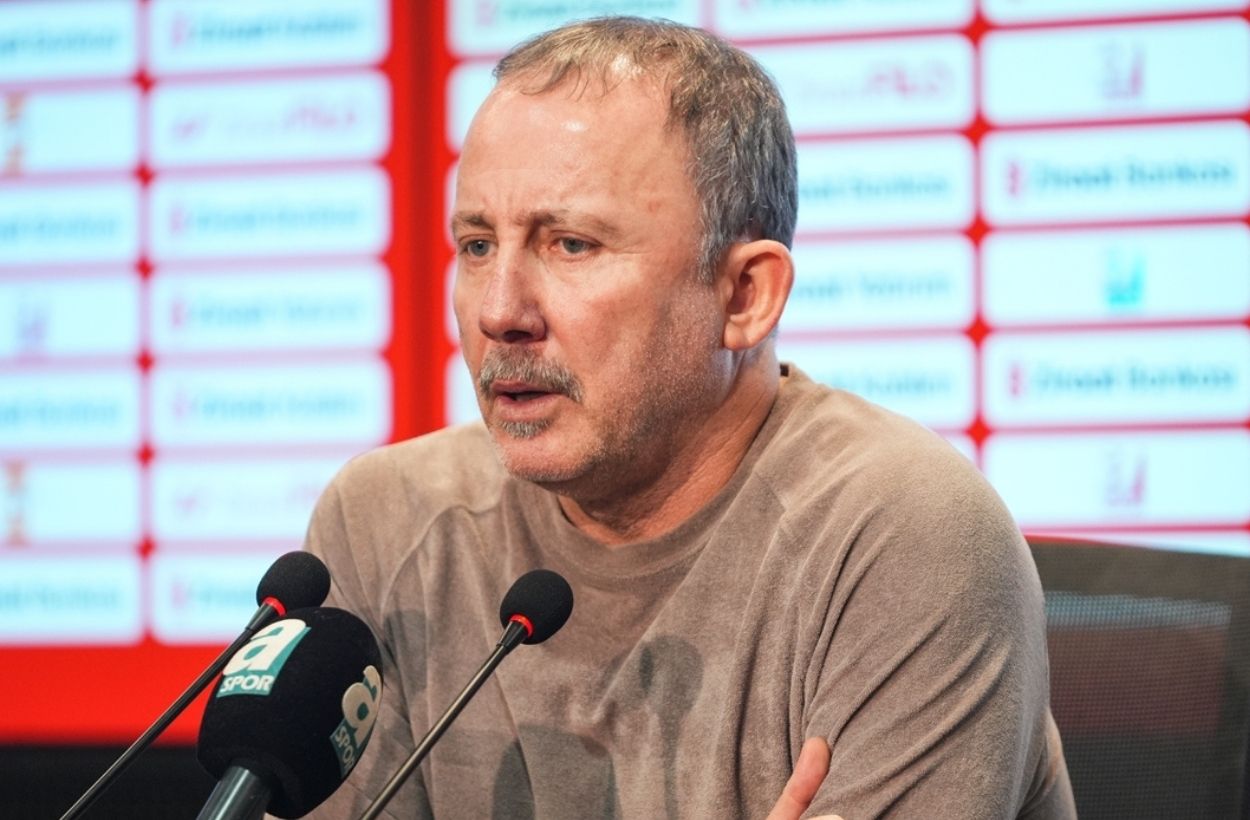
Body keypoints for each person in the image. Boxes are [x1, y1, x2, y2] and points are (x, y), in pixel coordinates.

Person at [300, 16, 1075, 819]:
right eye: (477, 245)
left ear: (744, 296)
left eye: (571, 245)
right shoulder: (385, 523)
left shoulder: (901, 537)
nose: (500, 312)